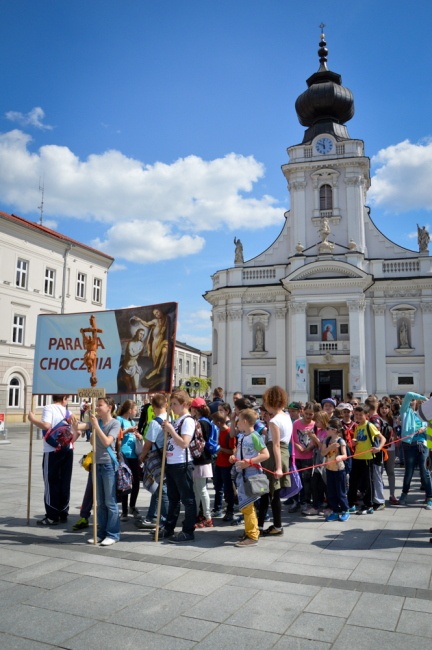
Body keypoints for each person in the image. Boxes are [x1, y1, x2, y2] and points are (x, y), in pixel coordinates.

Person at [28, 394, 83, 526]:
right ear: (63, 399)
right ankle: (63, 512)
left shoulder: (49, 408)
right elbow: (78, 432)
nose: (68, 401)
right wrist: (68, 444)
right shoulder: (68, 412)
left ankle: (52, 516)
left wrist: (32, 419)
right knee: (65, 481)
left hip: (52, 451)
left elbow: (46, 425)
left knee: (51, 482)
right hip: (67, 450)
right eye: (67, 398)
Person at [155, 390, 197, 543]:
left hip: (182, 464)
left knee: (187, 499)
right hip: (172, 463)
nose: (171, 407)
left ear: (184, 404)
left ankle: (188, 530)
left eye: (174, 404)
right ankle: (169, 528)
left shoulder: (188, 421)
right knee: (173, 499)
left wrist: (171, 430)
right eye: (171, 404)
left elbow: (184, 443)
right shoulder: (177, 420)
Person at [230, 409, 270, 547]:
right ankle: (249, 532)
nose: (237, 424)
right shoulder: (242, 436)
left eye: (238, 421)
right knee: (245, 505)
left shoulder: (255, 436)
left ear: (245, 422)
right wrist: (234, 457)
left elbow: (265, 454)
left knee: (247, 505)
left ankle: (252, 535)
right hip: (243, 474)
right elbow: (240, 452)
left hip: (251, 474)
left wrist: (249, 462)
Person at [257, 386, 292, 536]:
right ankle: (271, 525)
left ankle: (268, 526)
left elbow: (276, 445)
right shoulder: (286, 416)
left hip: (274, 455)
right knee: (271, 492)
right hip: (284, 454)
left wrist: (278, 468)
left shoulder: (274, 421)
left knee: (268, 492)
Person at [88, 396, 121, 546]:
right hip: (97, 463)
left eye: (100, 405)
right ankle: (101, 533)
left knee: (110, 501)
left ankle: (113, 534)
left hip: (108, 464)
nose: (97, 408)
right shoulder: (98, 422)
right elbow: (93, 442)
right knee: (100, 502)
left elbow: (108, 441)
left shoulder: (115, 423)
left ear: (109, 407)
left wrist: (96, 427)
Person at [137, 393, 169, 529]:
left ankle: (164, 520)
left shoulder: (156, 422)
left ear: (153, 406)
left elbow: (149, 442)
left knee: (162, 489)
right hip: (167, 455)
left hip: (156, 456)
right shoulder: (169, 418)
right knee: (159, 488)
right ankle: (152, 516)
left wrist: (142, 455)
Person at [347, 405, 386, 515]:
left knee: (367, 483)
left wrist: (378, 448)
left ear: (366, 415)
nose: (358, 417)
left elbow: (383, 438)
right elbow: (358, 440)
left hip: (367, 459)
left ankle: (368, 505)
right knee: (353, 482)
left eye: (361, 415)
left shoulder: (370, 425)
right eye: (356, 415)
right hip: (357, 457)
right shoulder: (358, 426)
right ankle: (352, 504)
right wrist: (354, 442)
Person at [398, 391, 432, 508]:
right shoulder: (405, 412)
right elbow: (408, 394)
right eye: (411, 400)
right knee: (409, 471)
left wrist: (424, 427)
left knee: (424, 471)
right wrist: (425, 398)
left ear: (417, 402)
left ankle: (430, 497)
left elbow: (428, 426)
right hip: (409, 445)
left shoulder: (424, 414)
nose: (412, 401)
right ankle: (404, 494)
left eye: (414, 400)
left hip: (422, 444)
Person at [190, 397, 214, 528]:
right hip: (204, 458)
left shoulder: (201, 423)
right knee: (198, 489)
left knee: (201, 489)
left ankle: (207, 517)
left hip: (201, 459)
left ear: (195, 409)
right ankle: (200, 514)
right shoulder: (207, 421)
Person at [117, 400, 143, 521]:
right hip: (124, 453)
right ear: (129, 410)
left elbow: (135, 435)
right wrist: (127, 431)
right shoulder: (119, 420)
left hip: (134, 455)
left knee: (136, 481)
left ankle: (132, 505)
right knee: (125, 482)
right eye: (135, 409)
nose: (136, 411)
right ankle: (124, 511)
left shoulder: (131, 421)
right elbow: (116, 434)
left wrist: (139, 436)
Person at [320, 418, 350, 521]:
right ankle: (335, 510)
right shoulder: (327, 440)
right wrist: (330, 447)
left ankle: (345, 510)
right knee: (331, 491)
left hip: (339, 469)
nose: (326, 430)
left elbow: (345, 455)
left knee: (340, 491)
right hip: (329, 468)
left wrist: (340, 457)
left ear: (335, 430)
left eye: (328, 428)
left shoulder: (341, 441)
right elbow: (323, 453)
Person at [211, 411, 235, 521]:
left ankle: (230, 510)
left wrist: (220, 449)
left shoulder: (230, 433)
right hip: (218, 463)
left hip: (227, 465)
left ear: (219, 423)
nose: (213, 424)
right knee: (218, 487)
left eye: (215, 422)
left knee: (228, 488)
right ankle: (217, 508)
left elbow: (233, 451)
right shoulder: (217, 432)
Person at [377, 400, 399, 505]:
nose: (384, 410)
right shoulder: (376, 419)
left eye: (386, 408)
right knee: (379, 472)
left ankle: (392, 494)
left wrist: (395, 439)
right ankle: (380, 495)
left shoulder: (391, 420)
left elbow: (395, 433)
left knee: (391, 471)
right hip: (380, 449)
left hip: (390, 449)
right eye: (382, 408)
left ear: (389, 409)